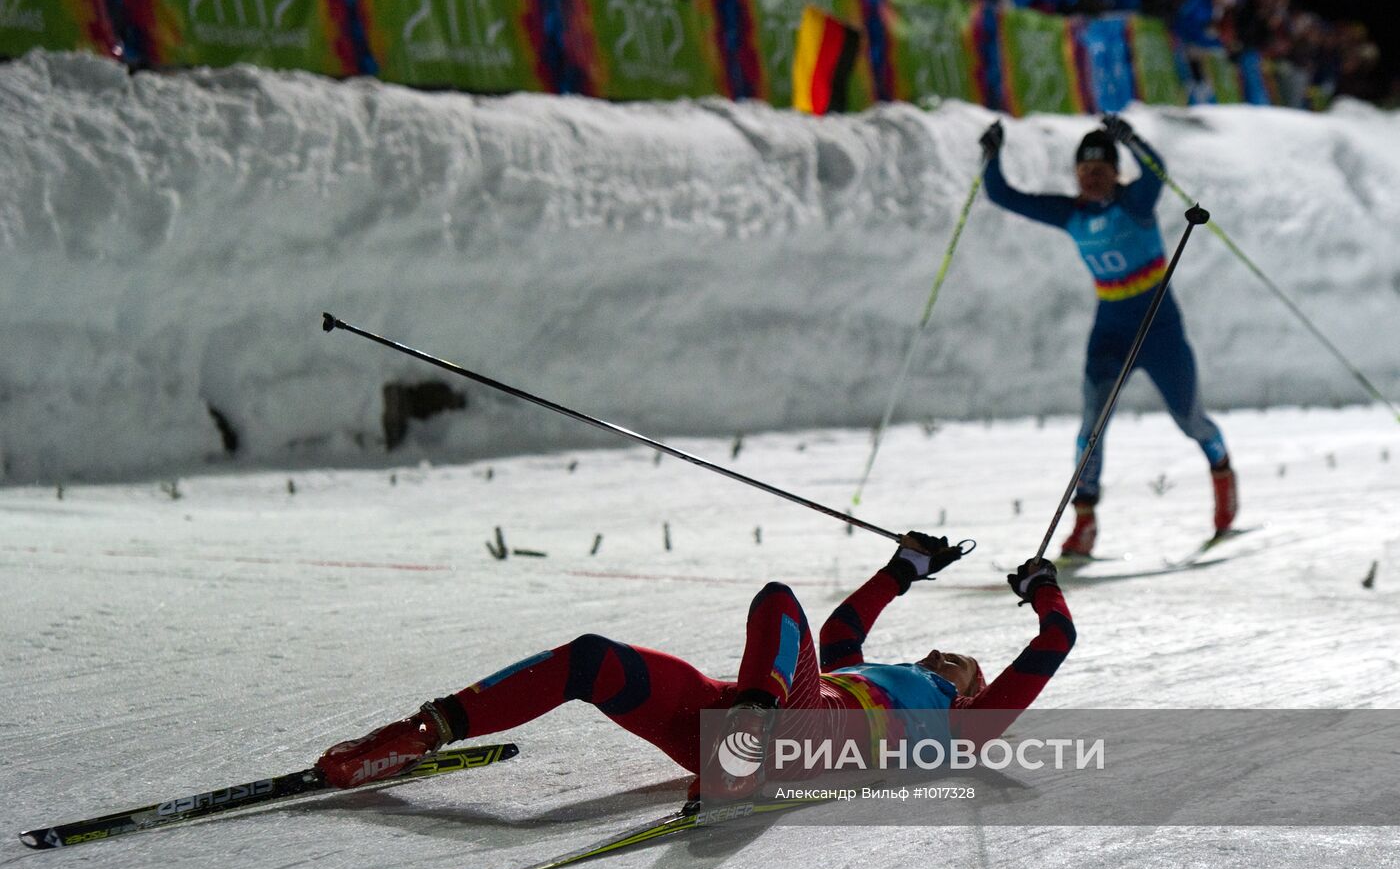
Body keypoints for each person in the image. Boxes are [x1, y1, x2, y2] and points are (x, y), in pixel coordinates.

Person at [315, 535, 1076, 799]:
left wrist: (1041, 588)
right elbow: (846, 626)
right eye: (943, 650)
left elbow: (1053, 644)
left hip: (809, 738)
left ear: (973, 688)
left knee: (779, 601)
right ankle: (420, 732)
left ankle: (741, 747)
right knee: (592, 660)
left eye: (966, 663)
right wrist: (906, 566)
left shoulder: (965, 725)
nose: (949, 654)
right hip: (746, 722)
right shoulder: (867, 670)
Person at [979, 115, 1237, 558]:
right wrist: (991, 154)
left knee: (1189, 418)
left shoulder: (1135, 202)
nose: (1091, 180)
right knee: (1090, 429)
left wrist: (1133, 140)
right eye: (1083, 172)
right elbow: (1002, 195)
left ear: (1116, 174)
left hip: (1160, 329)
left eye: (1100, 172)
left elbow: (1157, 170)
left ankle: (1222, 471)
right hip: (1111, 332)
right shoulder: (1070, 212)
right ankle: (1084, 521)